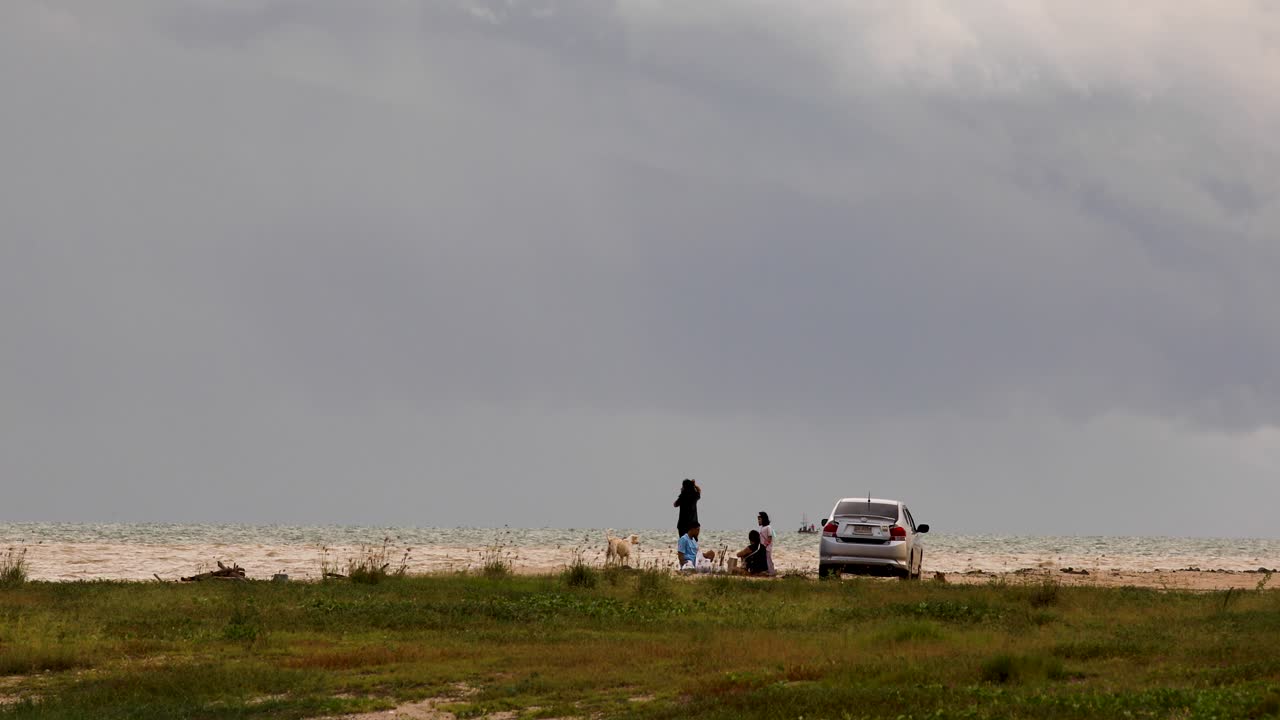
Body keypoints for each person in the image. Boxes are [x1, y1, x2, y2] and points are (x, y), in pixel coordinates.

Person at [757, 511, 776, 577]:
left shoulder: (768, 527)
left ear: (763, 519)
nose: (758, 521)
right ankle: (767, 570)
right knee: (765, 559)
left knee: (768, 559)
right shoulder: (762, 527)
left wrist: (765, 545)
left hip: (767, 547)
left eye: (759, 519)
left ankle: (772, 572)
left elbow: (770, 537)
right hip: (763, 546)